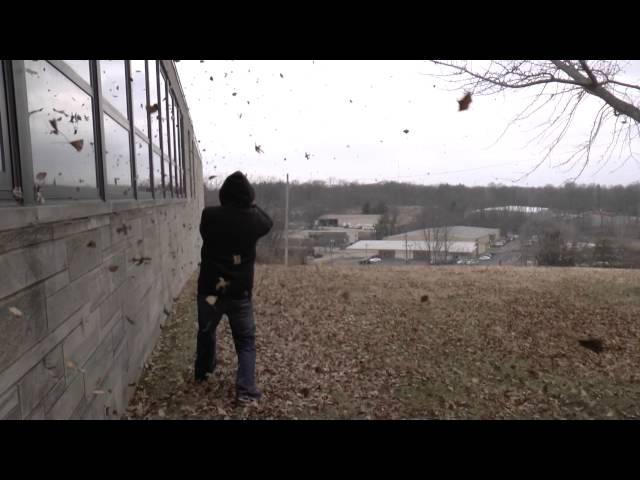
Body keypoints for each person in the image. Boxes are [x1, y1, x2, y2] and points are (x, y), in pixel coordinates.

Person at [195, 171, 273, 404]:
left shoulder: (209, 215)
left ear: (223, 194)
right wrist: (250, 204)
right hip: (240, 293)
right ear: (248, 197)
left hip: (210, 291)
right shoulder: (253, 219)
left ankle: (203, 373)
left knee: (206, 333)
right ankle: (246, 389)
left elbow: (206, 230)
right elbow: (267, 221)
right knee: (246, 341)